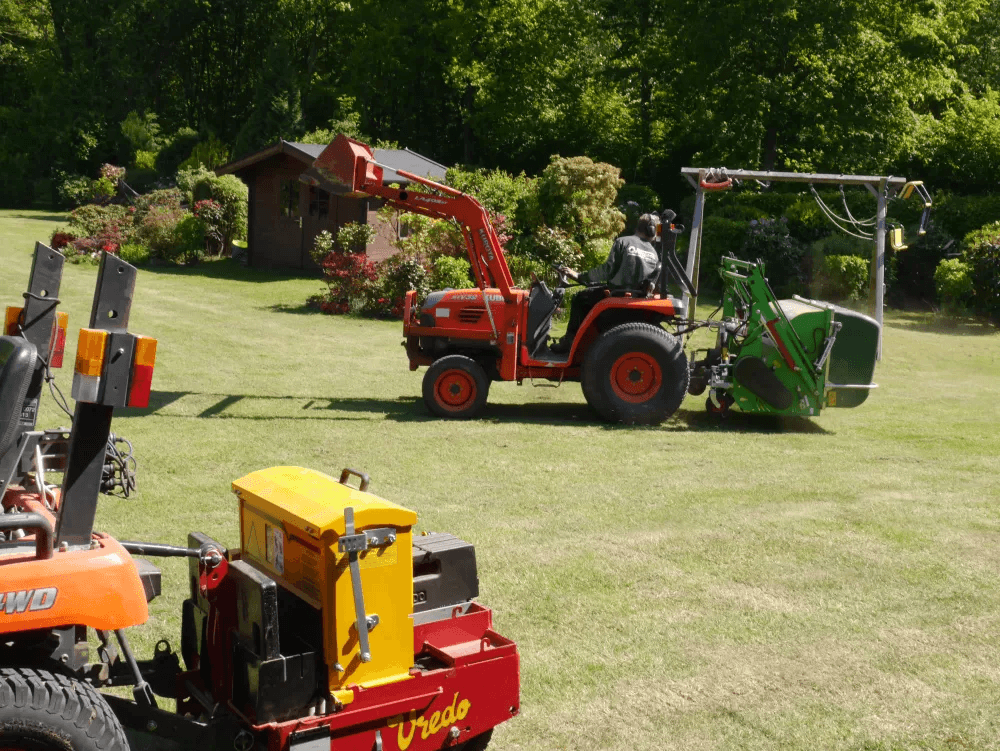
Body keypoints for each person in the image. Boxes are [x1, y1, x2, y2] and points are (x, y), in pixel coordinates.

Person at [549, 213, 660, 353]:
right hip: (638, 299)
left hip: (616, 296)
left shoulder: (623, 242)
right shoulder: (654, 253)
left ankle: (569, 343)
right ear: (651, 230)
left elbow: (607, 271)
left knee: (580, 298)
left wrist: (579, 276)